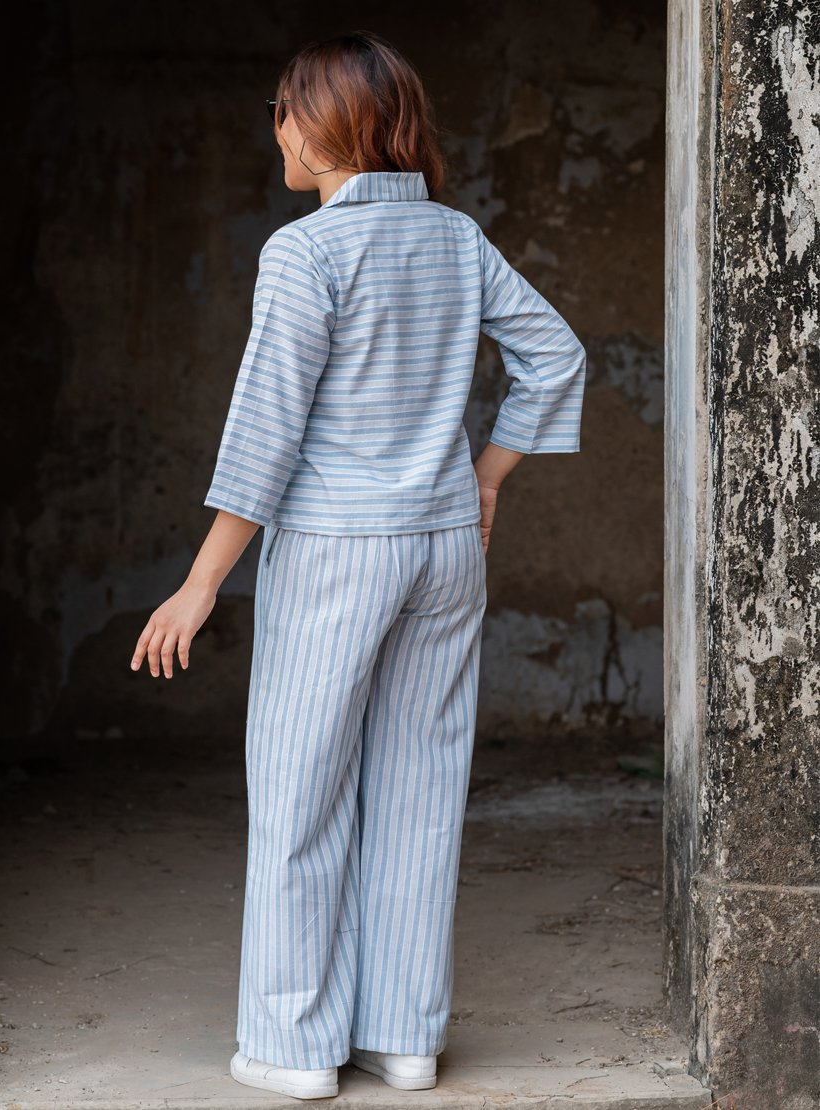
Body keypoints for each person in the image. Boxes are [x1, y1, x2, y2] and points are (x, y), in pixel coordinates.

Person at [130, 29, 586, 1102]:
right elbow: (557, 353)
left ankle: (294, 1049)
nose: (277, 129)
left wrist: (200, 583)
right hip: (442, 548)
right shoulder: (458, 237)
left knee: (302, 790)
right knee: (420, 789)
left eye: (287, 111)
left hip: (337, 549)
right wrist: (486, 478)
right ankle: (405, 1037)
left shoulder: (305, 252)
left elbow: (266, 433)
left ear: (329, 127)